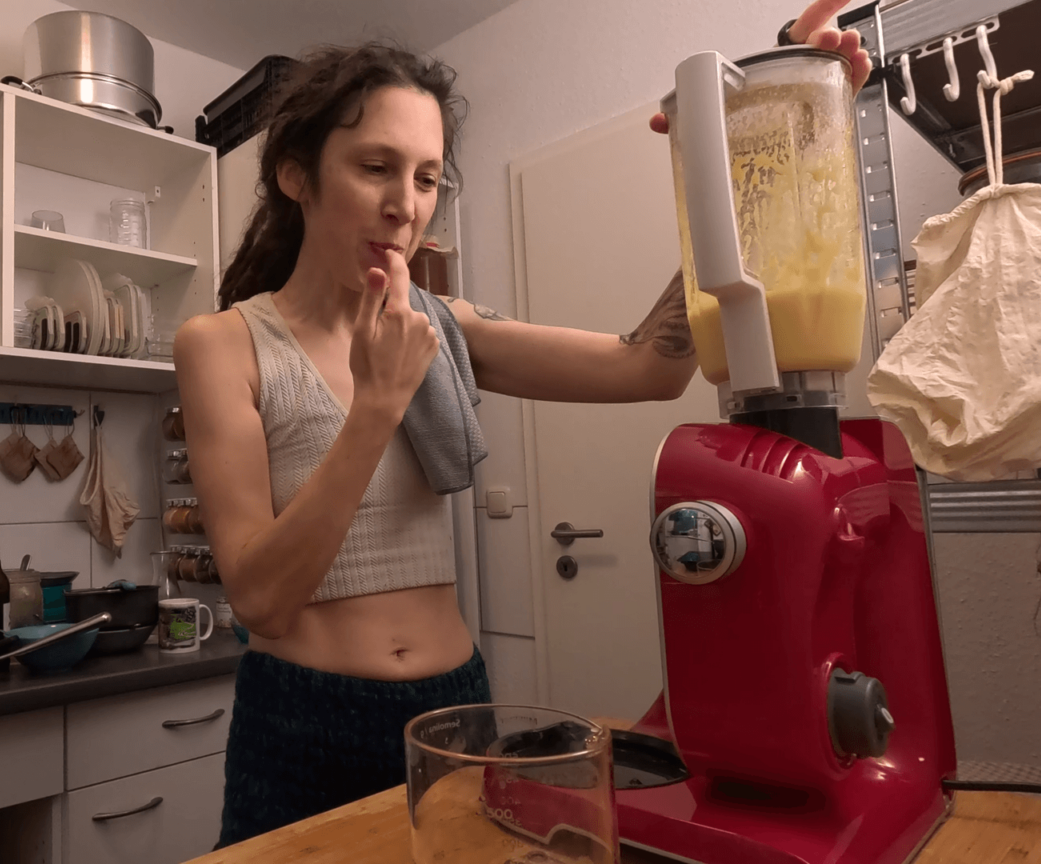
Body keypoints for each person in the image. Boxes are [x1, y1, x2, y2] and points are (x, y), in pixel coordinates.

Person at [174, 0, 871, 848]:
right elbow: (261, 597)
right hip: (299, 721)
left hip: (451, 710)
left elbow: (645, 368)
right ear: (296, 174)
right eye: (374, 167)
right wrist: (377, 405)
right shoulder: (225, 345)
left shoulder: (442, 327)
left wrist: (744, 151)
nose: (405, 205)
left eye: (426, 177)